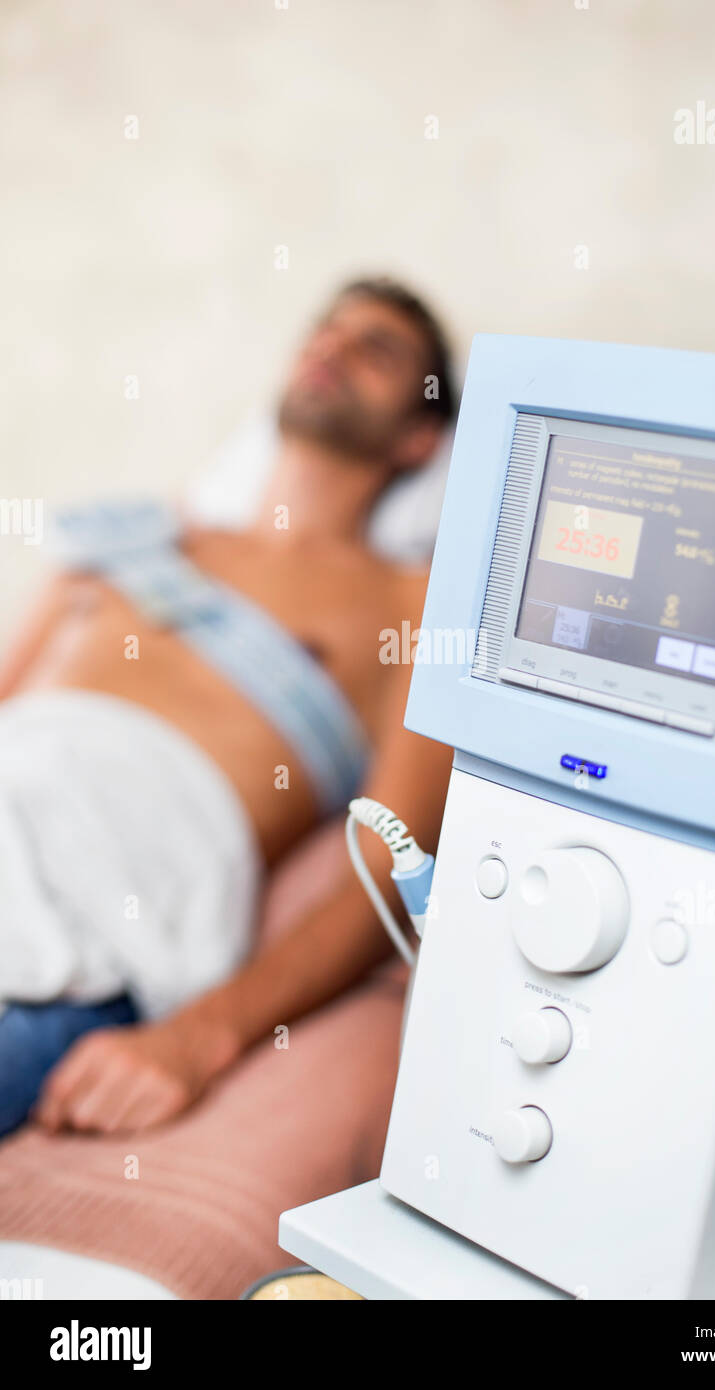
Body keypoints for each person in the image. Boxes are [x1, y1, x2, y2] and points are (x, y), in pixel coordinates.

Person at [0, 276, 456, 1137]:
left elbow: (390, 863)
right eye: (326, 331)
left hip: (90, 918)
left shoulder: (416, 604)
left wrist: (196, 1039)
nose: (333, 349)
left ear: (421, 435)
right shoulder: (127, 542)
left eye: (378, 349)